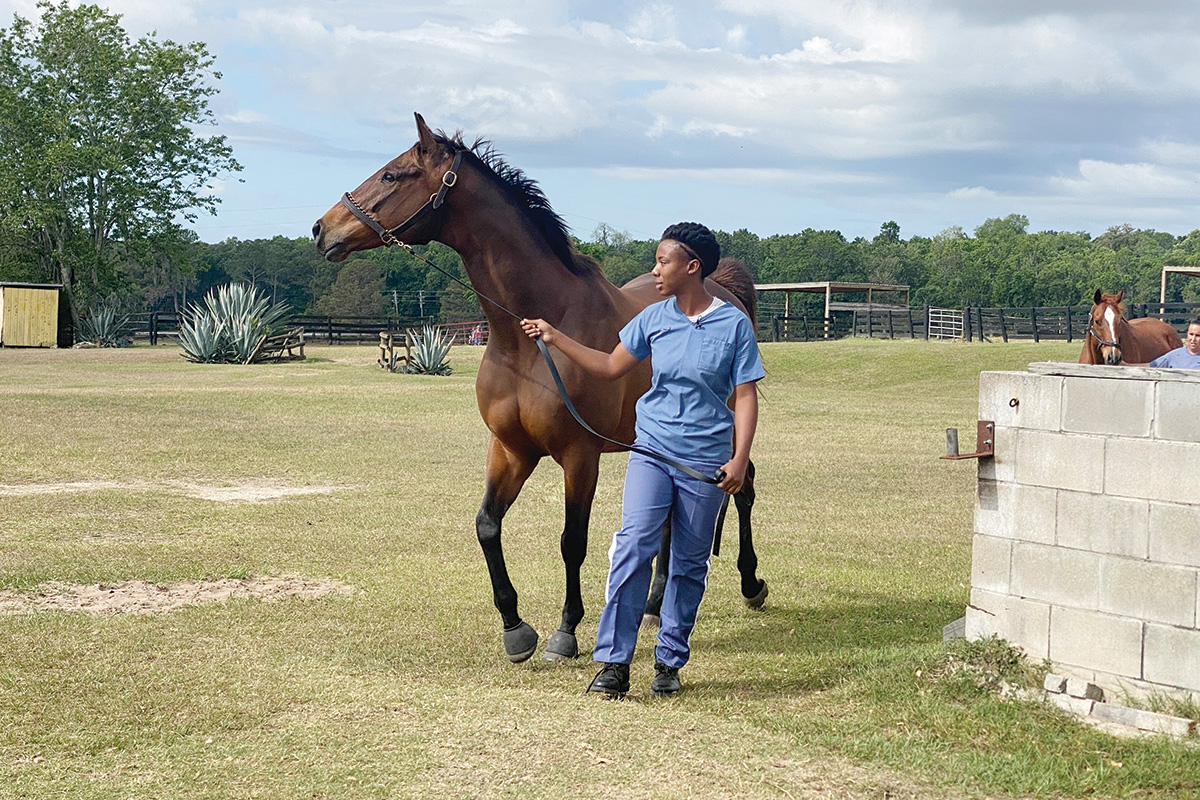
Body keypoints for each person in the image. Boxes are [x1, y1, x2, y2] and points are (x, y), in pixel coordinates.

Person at [520, 222, 764, 697]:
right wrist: (554, 337)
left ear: (691, 267)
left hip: (704, 460)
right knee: (634, 546)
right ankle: (613, 662)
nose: (654, 270)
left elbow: (746, 395)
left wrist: (739, 459)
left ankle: (669, 662)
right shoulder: (653, 319)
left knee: (689, 563)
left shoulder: (733, 326)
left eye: (662, 261)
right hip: (651, 449)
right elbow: (611, 366)